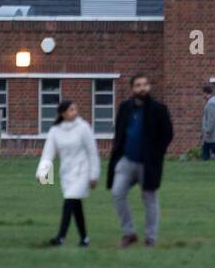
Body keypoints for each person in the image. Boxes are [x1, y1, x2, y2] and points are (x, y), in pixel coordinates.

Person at [107, 73, 174, 248]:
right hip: (126, 161)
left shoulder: (158, 109)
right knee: (117, 193)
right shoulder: (125, 108)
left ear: (149, 87)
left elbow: (167, 134)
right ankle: (129, 233)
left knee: (149, 199)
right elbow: (120, 132)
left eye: (145, 84)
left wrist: (156, 154)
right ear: (132, 88)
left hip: (148, 163)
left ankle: (150, 238)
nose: (142, 88)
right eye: (138, 85)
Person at [36, 99, 100, 247]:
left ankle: (61, 237)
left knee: (69, 199)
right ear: (63, 113)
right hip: (67, 173)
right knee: (75, 204)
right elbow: (48, 152)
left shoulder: (84, 128)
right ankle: (84, 239)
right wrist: (43, 174)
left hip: (82, 171)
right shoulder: (55, 131)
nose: (75, 112)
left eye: (75, 109)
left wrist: (94, 175)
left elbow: (92, 152)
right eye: (71, 110)